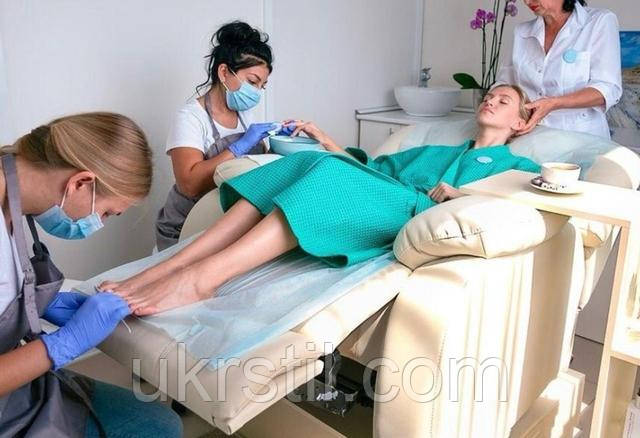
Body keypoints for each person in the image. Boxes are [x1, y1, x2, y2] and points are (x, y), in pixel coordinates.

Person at [100, 84, 541, 316]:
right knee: (302, 162)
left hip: (419, 212)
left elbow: (515, 208)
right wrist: (322, 138)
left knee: (327, 172)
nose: (490, 101)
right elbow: (372, 167)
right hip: (385, 193)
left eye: (503, 101)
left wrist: (461, 194)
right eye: (488, 96)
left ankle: (202, 278)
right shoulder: (435, 150)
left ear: (520, 124)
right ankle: (172, 266)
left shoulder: (517, 166)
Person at [0, 113, 182, 437]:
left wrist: (36, 304)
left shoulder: (12, 202)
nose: (101, 223)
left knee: (161, 423)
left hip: (17, 391)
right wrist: (65, 344)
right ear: (80, 183)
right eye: (108, 213)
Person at [156, 21, 292, 250]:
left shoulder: (245, 114)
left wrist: (280, 146)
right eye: (252, 82)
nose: (257, 92)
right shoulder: (190, 118)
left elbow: (252, 169)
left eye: (262, 86)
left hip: (227, 223)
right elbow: (189, 184)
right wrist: (238, 147)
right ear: (224, 72)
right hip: (186, 226)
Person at [496, 0, 622, 138]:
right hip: (529, 136)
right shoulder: (521, 31)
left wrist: (554, 103)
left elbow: (608, 88)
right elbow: (505, 84)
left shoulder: (599, 21)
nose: (527, 1)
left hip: (581, 138)